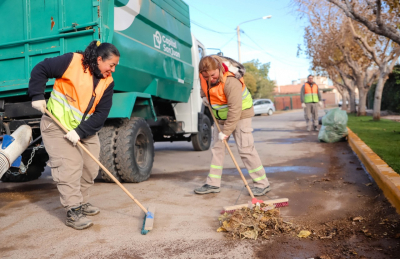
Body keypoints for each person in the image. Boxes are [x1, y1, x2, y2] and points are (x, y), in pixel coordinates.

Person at [28, 41, 120, 230]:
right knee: (70, 166)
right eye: (111, 65)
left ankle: (83, 202)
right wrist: (37, 95)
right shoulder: (73, 62)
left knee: (90, 166)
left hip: (82, 129)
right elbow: (41, 68)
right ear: (100, 59)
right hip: (56, 125)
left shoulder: (107, 82)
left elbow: (101, 114)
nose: (113, 70)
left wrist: (79, 132)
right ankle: (73, 210)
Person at [194, 56, 271, 196]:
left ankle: (262, 184)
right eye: (206, 77)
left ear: (219, 68)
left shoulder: (231, 81)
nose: (210, 79)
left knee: (245, 149)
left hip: (241, 114)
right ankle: (212, 183)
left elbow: (235, 110)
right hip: (221, 117)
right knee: (217, 148)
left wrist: (226, 131)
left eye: (213, 75)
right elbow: (204, 88)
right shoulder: (204, 76)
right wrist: (203, 96)